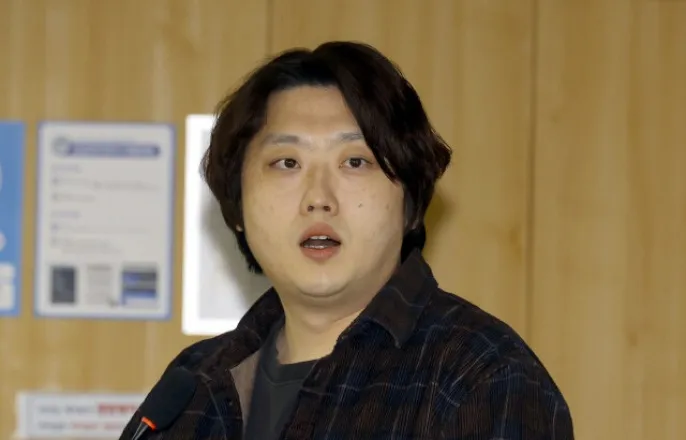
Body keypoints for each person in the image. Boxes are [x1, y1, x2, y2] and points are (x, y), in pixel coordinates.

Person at [120, 41, 574, 439]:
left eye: (355, 162)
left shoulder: (481, 377)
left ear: (410, 204)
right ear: (238, 208)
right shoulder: (191, 385)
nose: (319, 198)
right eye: (287, 163)